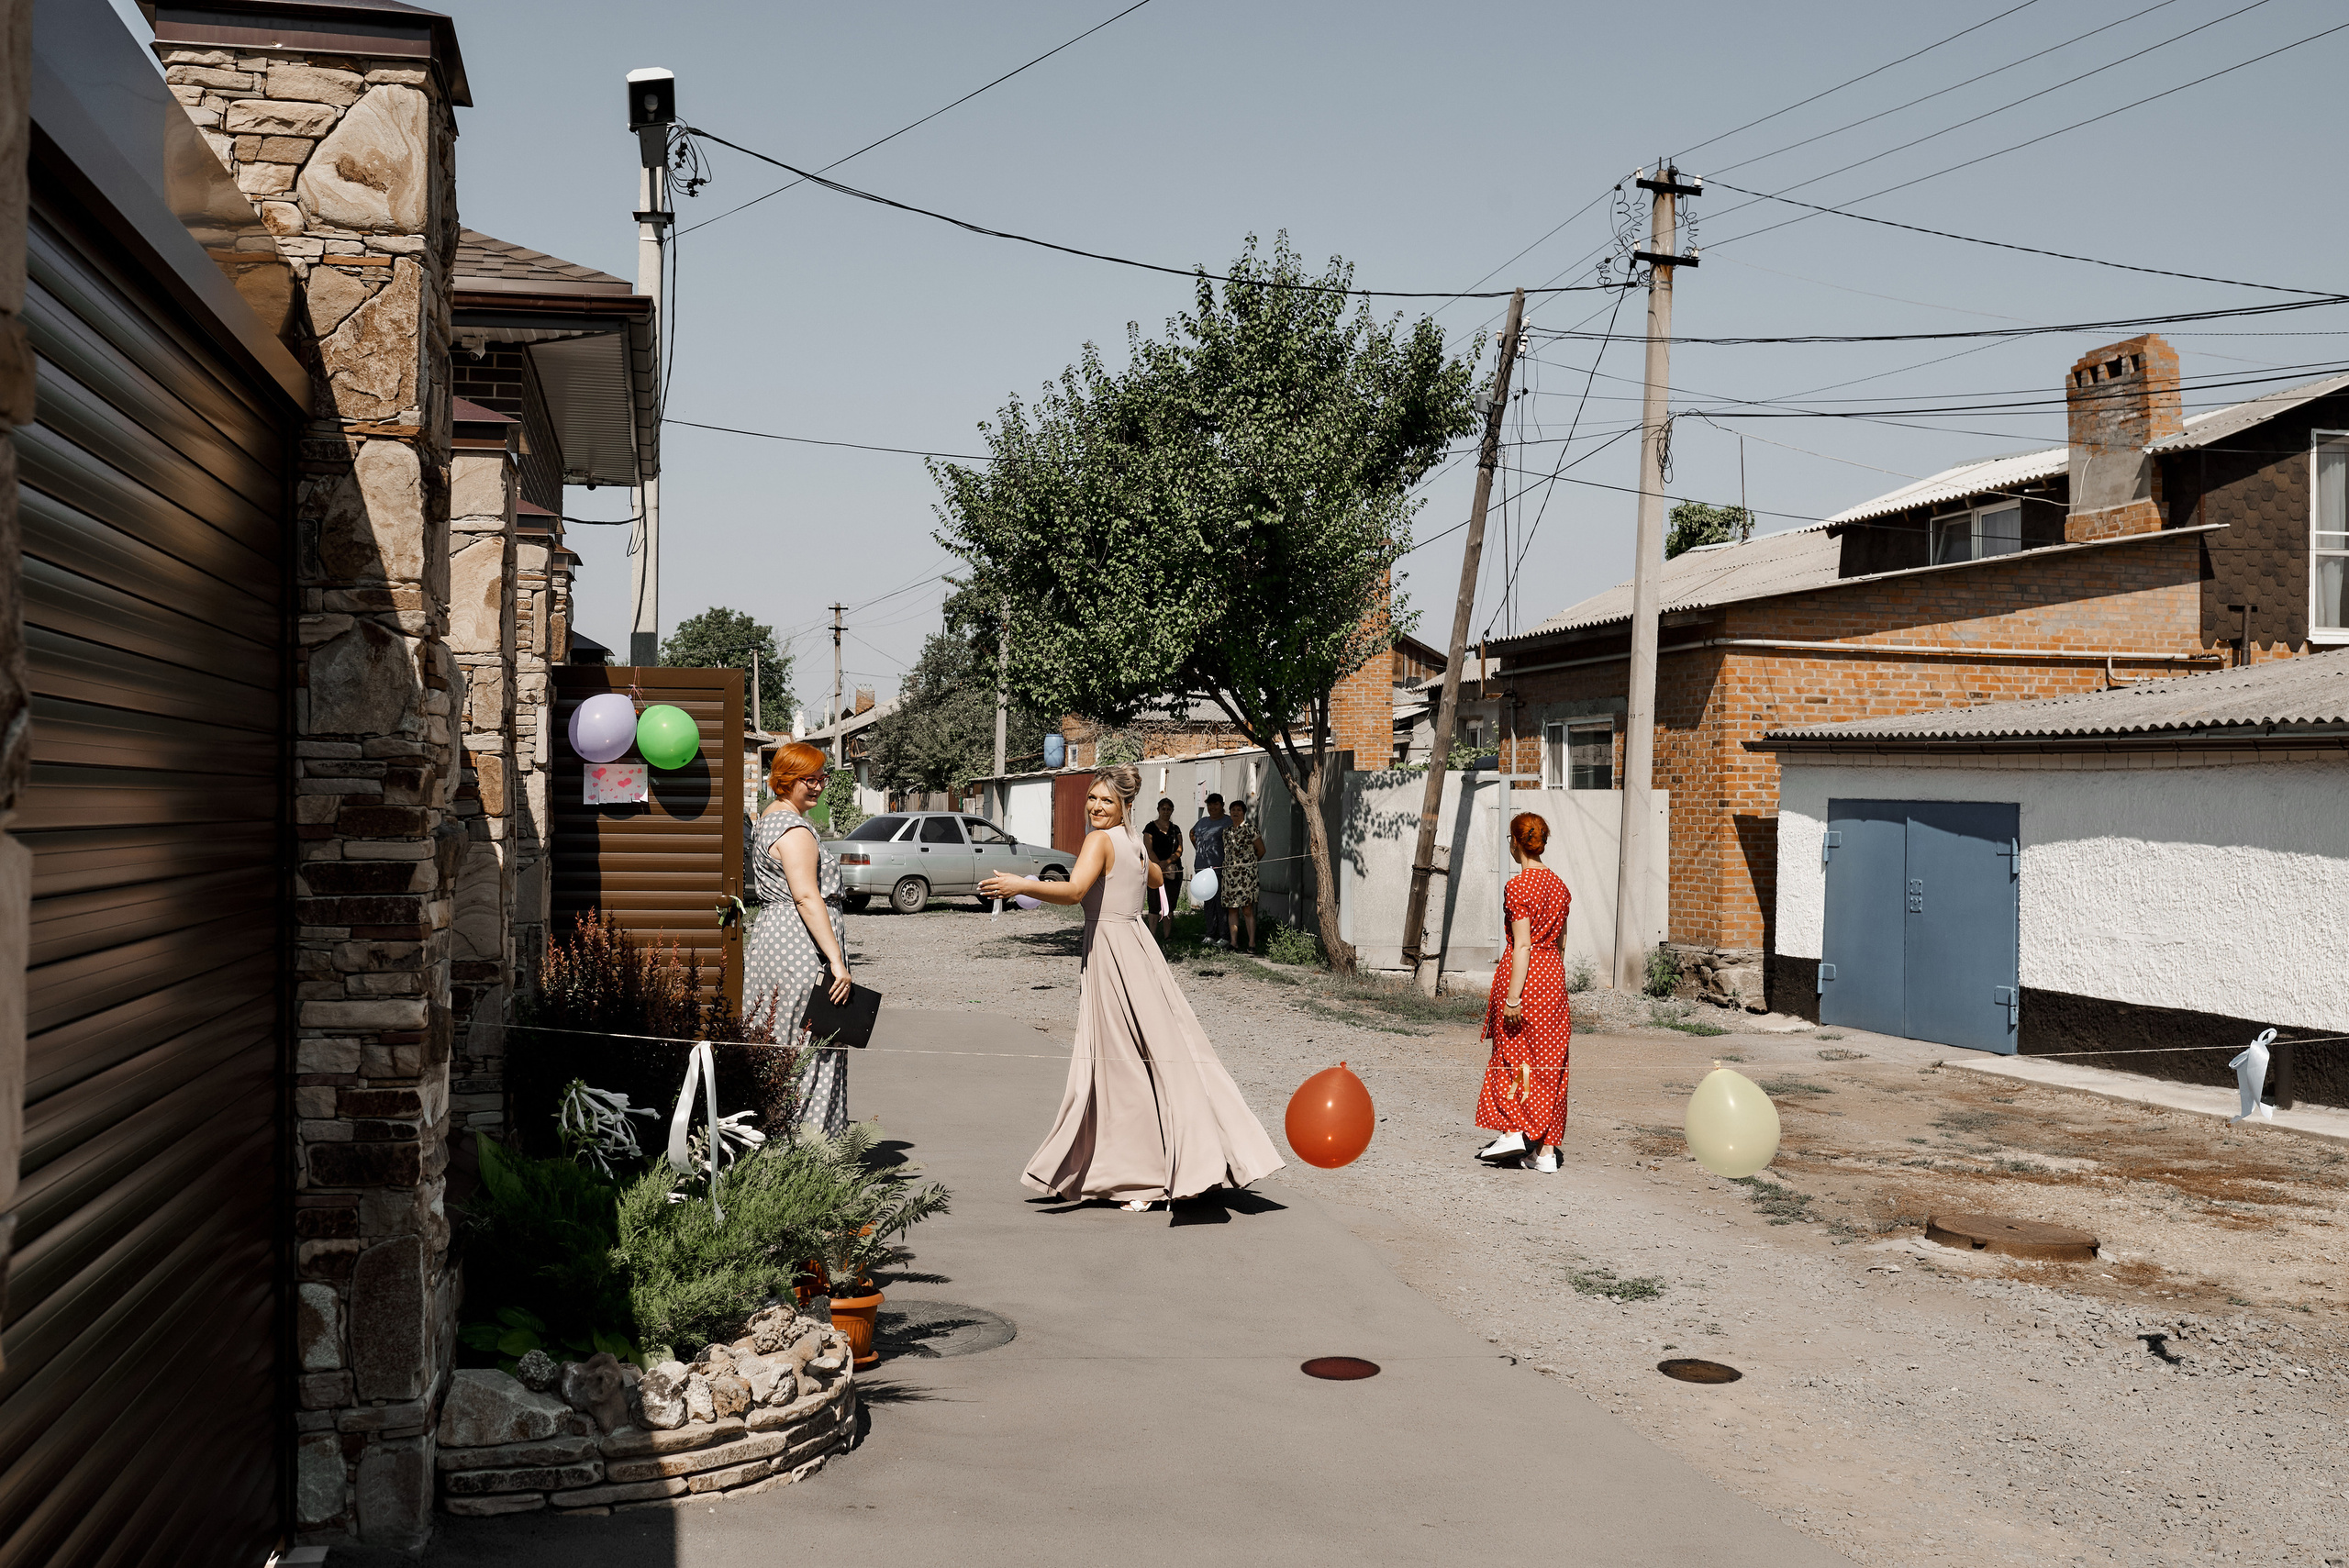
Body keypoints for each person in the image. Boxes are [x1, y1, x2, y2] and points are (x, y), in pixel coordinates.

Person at [981, 765, 1286, 1210]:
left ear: (1124, 806)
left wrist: (1020, 884)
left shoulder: (1099, 840)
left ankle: (1140, 1178)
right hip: (1139, 949)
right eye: (1092, 799)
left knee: (1122, 1063)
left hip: (1111, 951)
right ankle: (1176, 1162)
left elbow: (1074, 891)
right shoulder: (1136, 844)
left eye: (1106, 801)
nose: (1095, 807)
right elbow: (1159, 878)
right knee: (1158, 1054)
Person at [744, 740, 856, 1138]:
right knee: (813, 1042)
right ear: (785, 780)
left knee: (781, 1038)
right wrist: (837, 962)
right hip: (800, 945)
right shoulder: (794, 829)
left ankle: (775, 1140)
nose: (818, 786)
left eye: (821, 777)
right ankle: (810, 1147)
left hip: (776, 940)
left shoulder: (768, 820)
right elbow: (807, 897)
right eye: (808, 779)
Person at [1474, 812, 1571, 1173]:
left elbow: (1523, 946)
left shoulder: (1519, 887)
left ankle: (1514, 1128)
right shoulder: (1560, 886)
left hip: (1525, 979)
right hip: (1553, 981)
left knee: (1516, 1059)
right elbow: (1560, 944)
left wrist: (1513, 998)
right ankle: (1544, 1152)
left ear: (1517, 842)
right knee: (1551, 1064)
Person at [1219, 798, 1265, 954]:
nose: (1235, 812)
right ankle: (1233, 943)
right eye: (1233, 810)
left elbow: (1261, 850)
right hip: (1230, 876)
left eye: (1239, 810)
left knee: (1247, 910)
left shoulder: (1251, 829)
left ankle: (1252, 943)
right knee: (1232, 909)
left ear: (1244, 812)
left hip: (1246, 877)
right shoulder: (1226, 832)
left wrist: (1249, 866)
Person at [1140, 796, 1184, 939]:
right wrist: (1159, 865)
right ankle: (1151, 936)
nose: (1166, 811)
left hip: (1172, 871)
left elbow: (1179, 849)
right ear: (1158, 810)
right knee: (1154, 904)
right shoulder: (1150, 827)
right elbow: (1148, 848)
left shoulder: (1175, 829)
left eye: (1168, 809)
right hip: (1154, 869)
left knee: (1170, 905)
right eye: (1163, 809)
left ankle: (1167, 936)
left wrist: (1167, 862)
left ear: (1172, 811)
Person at [1190, 792, 1230, 947]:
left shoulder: (1227, 822)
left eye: (1216, 804)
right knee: (1208, 904)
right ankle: (1210, 934)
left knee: (1220, 903)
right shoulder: (1202, 822)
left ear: (1221, 806)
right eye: (1209, 804)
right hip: (1202, 868)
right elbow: (1192, 834)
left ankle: (1224, 936)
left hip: (1218, 869)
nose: (1212, 807)